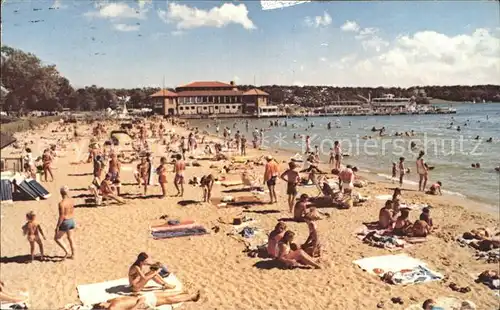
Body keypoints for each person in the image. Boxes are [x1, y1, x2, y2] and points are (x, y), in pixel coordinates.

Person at [92, 290, 201, 309]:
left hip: (140, 297)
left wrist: (134, 295)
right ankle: (192, 297)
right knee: (168, 300)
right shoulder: (112, 308)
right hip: (143, 302)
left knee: (164, 295)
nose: (101, 304)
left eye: (99, 304)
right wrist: (139, 302)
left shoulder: (110, 301)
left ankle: (185, 293)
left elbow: (124, 299)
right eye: (99, 306)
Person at [54, 186, 76, 259]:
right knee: (71, 238)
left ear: (61, 193)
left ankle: (67, 251)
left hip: (65, 221)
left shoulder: (61, 203)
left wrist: (57, 226)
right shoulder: (71, 201)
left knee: (57, 238)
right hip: (72, 220)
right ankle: (73, 254)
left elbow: (62, 216)